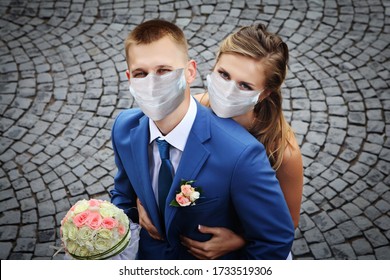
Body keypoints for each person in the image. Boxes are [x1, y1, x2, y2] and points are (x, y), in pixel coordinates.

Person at [110, 19, 294, 260]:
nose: (152, 85)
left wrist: (240, 242)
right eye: (140, 73)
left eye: (164, 70)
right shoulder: (125, 128)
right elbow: (123, 194)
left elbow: (277, 236)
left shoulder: (247, 152)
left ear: (190, 72)